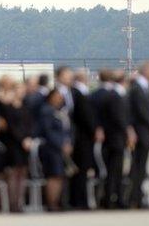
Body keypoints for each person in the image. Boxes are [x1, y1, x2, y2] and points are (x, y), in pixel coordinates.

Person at [0, 75, 32, 212]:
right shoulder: (8, 107)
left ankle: (20, 202)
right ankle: (12, 204)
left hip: (25, 144)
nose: (22, 92)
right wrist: (22, 139)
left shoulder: (25, 106)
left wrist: (29, 137)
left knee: (23, 172)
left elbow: (29, 124)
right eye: (19, 89)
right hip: (13, 143)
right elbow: (10, 126)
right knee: (13, 173)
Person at [100, 70, 135, 209]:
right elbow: (120, 119)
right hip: (116, 139)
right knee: (116, 170)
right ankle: (115, 199)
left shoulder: (111, 95)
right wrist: (128, 132)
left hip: (112, 138)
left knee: (113, 170)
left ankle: (111, 198)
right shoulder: (117, 96)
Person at [128, 61, 149, 209]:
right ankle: (135, 197)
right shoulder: (137, 89)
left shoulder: (143, 87)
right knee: (138, 166)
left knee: (141, 166)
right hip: (140, 133)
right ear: (146, 71)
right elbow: (142, 111)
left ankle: (138, 195)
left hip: (145, 133)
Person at [38, 88, 72, 212]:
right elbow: (48, 131)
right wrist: (60, 144)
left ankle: (58, 201)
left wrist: (68, 142)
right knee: (53, 175)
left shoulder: (61, 112)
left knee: (60, 175)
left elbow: (67, 130)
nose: (59, 98)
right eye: (57, 96)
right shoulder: (46, 111)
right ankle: (51, 203)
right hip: (52, 148)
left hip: (62, 148)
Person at [69, 69, 98, 210]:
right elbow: (86, 117)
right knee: (82, 170)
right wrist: (94, 131)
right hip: (83, 138)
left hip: (81, 137)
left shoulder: (76, 92)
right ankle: (81, 201)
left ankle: (79, 200)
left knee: (81, 170)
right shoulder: (79, 93)